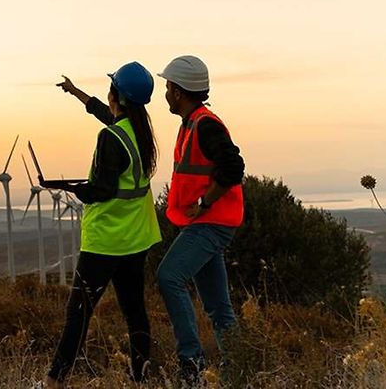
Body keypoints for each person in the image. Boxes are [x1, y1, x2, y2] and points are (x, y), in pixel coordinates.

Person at [39, 62, 162, 387]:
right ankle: (141, 377)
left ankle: (55, 381)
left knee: (78, 313)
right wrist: (74, 91)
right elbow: (100, 112)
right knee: (135, 312)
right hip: (136, 239)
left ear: (116, 96)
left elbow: (101, 191)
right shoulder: (138, 132)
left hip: (105, 242)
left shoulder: (111, 137)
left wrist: (71, 188)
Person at [155, 55, 245, 387]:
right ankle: (240, 366)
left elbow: (233, 167)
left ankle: (191, 363)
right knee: (218, 306)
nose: (165, 93)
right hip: (206, 223)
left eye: (167, 87)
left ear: (178, 92)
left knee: (169, 276)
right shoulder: (193, 123)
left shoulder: (205, 124)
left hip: (212, 222)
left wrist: (205, 202)